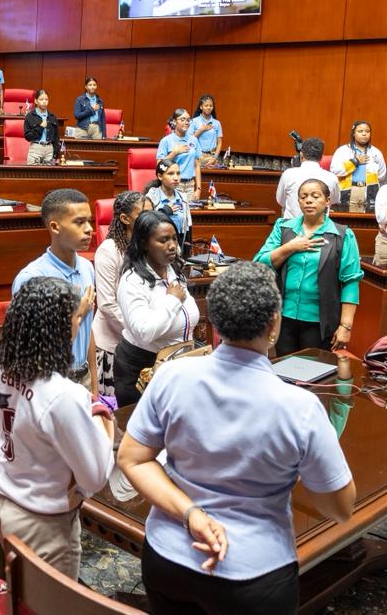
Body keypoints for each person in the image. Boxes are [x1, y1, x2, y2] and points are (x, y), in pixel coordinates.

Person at [117, 261, 355, 615]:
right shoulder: (301, 408)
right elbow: (340, 509)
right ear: (274, 324)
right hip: (254, 576)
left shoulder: (171, 376)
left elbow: (132, 459)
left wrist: (191, 513)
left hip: (168, 558)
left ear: (214, 322)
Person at [0, 276, 114, 579]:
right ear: (58, 329)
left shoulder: (1, 370)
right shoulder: (61, 396)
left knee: (21, 590)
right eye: (77, 317)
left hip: (2, 499)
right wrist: (101, 420)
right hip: (41, 522)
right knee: (51, 601)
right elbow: (95, 477)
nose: (79, 324)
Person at [254, 178, 362, 355]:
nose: (308, 201)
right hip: (283, 316)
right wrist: (290, 247)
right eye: (303, 197)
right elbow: (260, 263)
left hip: (320, 321)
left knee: (315, 368)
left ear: (328, 201)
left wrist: (346, 326)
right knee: (284, 365)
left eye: (315, 196)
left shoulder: (342, 235)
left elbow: (351, 281)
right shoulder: (284, 228)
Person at [113, 210, 200, 408]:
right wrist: (172, 300)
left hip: (178, 364)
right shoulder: (132, 281)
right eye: (163, 240)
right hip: (142, 369)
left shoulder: (173, 272)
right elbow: (144, 332)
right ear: (144, 243)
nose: (172, 246)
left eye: (174, 239)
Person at [12, 188, 95, 389]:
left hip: (83, 376)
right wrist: (77, 314)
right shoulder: (32, 278)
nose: (89, 229)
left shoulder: (87, 267)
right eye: (79, 222)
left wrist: (94, 383)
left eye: (89, 221)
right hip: (48, 383)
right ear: (55, 227)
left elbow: (88, 330)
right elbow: (29, 347)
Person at [92, 191, 148, 399]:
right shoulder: (109, 250)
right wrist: (138, 332)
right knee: (118, 409)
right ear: (125, 219)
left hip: (142, 344)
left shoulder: (147, 246)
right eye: (143, 214)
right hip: (113, 345)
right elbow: (107, 304)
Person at [275, 137, 338, 219]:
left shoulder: (288, 174)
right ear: (321, 157)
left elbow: (280, 201)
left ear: (301, 155)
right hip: (320, 225)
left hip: (291, 225)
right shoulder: (332, 178)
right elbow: (334, 200)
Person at [329, 120, 386, 204]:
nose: (364, 134)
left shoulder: (376, 152)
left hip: (370, 194)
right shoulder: (342, 151)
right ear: (353, 133)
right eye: (360, 131)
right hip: (347, 192)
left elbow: (381, 176)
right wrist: (355, 162)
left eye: (367, 131)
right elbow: (335, 171)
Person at [156, 109, 201, 202]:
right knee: (173, 210)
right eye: (183, 119)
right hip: (173, 184)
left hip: (190, 185)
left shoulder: (194, 140)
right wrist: (174, 152)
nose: (186, 122)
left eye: (188, 120)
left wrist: (198, 188)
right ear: (174, 121)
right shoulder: (166, 141)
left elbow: (196, 165)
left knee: (188, 211)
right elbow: (159, 165)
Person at [144, 160, 191, 249]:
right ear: (160, 176)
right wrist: (164, 211)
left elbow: (188, 228)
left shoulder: (183, 198)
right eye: (170, 174)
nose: (176, 178)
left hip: (178, 245)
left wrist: (187, 252)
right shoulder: (151, 197)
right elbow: (145, 224)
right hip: (157, 247)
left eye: (178, 173)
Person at [23, 89, 62, 165]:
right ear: (36, 101)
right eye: (41, 99)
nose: (44, 102)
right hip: (36, 149)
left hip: (49, 150)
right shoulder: (30, 116)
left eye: (46, 100)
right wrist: (40, 127)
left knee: (49, 172)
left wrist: (55, 155)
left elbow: (56, 138)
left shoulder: (52, 117)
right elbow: (28, 137)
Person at [191, 94, 223, 165]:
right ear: (201, 107)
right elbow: (190, 140)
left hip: (212, 157)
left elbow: (219, 142)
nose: (209, 107)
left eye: (211, 106)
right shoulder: (194, 121)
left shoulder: (217, 123)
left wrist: (214, 158)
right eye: (206, 105)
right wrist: (201, 130)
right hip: (197, 157)